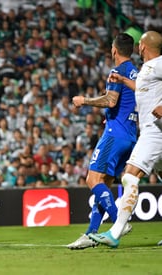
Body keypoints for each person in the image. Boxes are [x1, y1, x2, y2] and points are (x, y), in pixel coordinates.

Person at [89, 31, 162, 248]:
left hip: (155, 131)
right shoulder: (147, 69)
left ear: (143, 47)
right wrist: (122, 80)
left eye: (140, 44)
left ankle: (115, 232)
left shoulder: (159, 63)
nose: (138, 47)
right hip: (152, 130)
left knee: (130, 176)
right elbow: (142, 89)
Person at [67, 33, 138, 249]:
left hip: (115, 134)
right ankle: (91, 233)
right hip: (131, 134)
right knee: (104, 183)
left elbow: (111, 99)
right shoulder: (137, 73)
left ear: (114, 50)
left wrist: (84, 100)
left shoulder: (117, 72)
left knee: (92, 179)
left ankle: (119, 222)